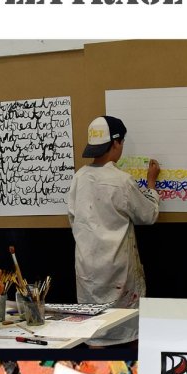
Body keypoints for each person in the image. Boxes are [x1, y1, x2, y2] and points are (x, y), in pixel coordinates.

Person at [67, 115, 160, 307]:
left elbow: (74, 219)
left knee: (93, 322)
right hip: (119, 275)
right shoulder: (122, 181)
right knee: (123, 322)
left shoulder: (79, 177)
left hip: (88, 273)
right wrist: (151, 184)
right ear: (116, 143)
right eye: (122, 142)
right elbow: (148, 215)